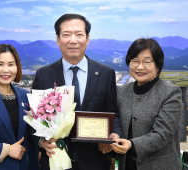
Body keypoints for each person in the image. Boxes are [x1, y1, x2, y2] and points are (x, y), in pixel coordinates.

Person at [31, 13, 122, 170]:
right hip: (55, 159)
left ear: (87, 39)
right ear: (58, 40)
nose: (73, 40)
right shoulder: (44, 75)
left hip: (94, 160)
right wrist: (41, 142)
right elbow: (34, 118)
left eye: (79, 34)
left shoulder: (106, 73)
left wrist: (114, 135)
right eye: (66, 35)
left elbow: (114, 113)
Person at [111, 38, 182, 170]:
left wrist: (131, 144)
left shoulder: (171, 93)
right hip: (127, 165)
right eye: (135, 61)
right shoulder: (122, 91)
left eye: (147, 62)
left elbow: (162, 134)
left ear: (158, 66)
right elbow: (116, 122)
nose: (140, 67)